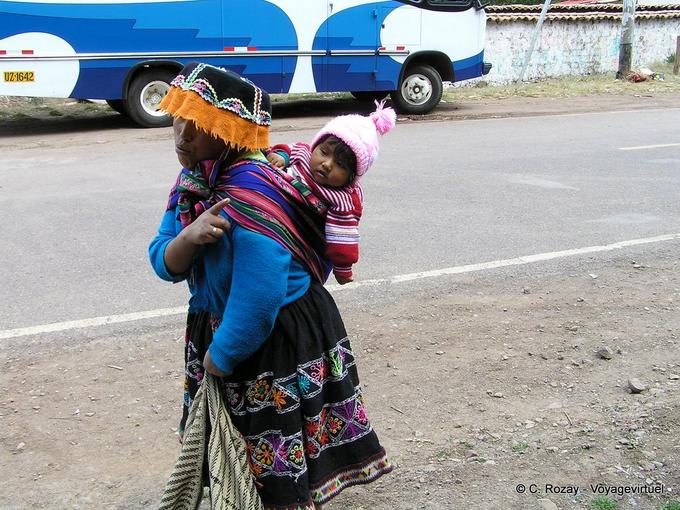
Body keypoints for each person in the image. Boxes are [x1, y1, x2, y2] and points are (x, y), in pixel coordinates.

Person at [148, 62, 392, 510]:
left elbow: (259, 300)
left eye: (197, 127)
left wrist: (219, 358)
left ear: (230, 134)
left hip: (272, 336)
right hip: (222, 328)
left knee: (273, 453)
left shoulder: (254, 194)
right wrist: (189, 236)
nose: (181, 135)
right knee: (232, 446)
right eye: (178, 119)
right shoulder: (193, 183)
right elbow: (163, 262)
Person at [266, 103, 396, 285]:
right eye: (324, 152)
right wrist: (281, 156)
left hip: (296, 248)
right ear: (316, 145)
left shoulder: (342, 200)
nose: (327, 164)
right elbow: (288, 149)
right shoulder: (303, 153)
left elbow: (342, 238)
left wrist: (343, 270)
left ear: (352, 177)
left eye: (341, 165)